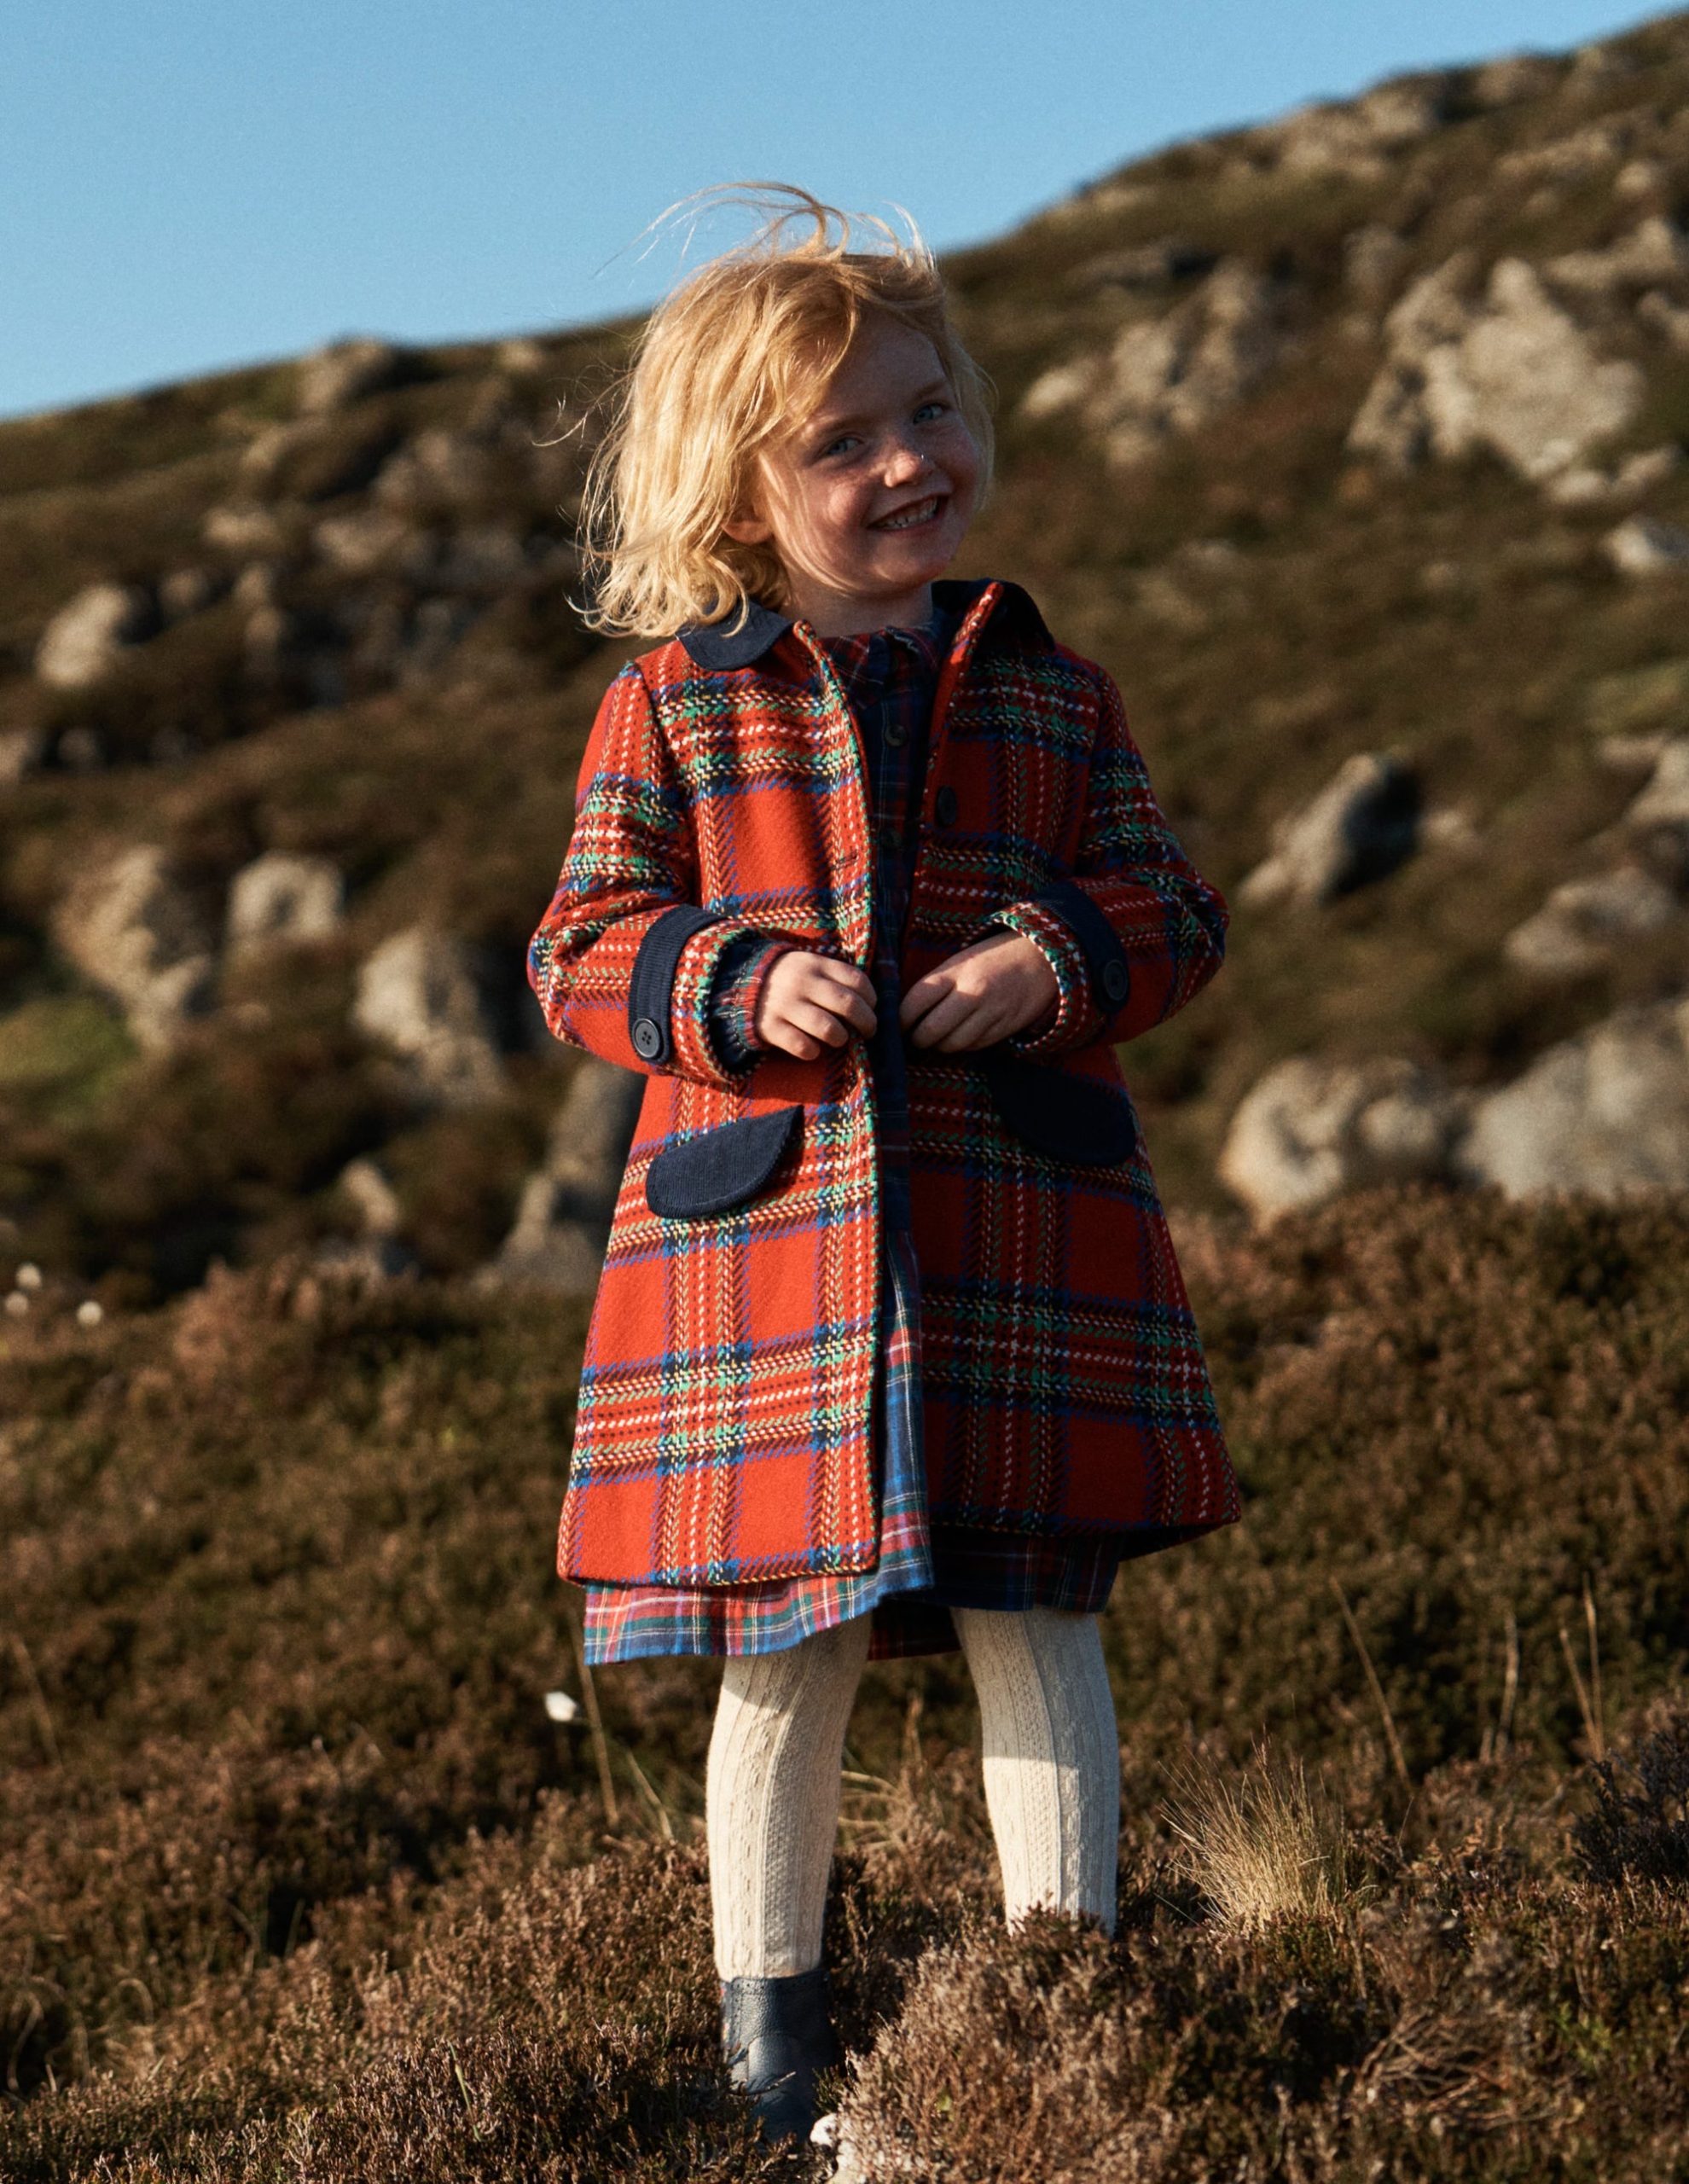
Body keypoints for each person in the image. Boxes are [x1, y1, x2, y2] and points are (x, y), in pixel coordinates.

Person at [526, 183, 1240, 2148]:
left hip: (1019, 1227)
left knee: (1042, 1614)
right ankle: (769, 2070)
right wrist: (733, 979)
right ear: (739, 491)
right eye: (842, 439)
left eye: (931, 410)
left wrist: (1055, 958)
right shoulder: (671, 703)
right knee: (784, 1643)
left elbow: (1173, 907)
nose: (910, 459)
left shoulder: (1058, 689)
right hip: (771, 1258)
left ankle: (1064, 2016)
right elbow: (580, 944)